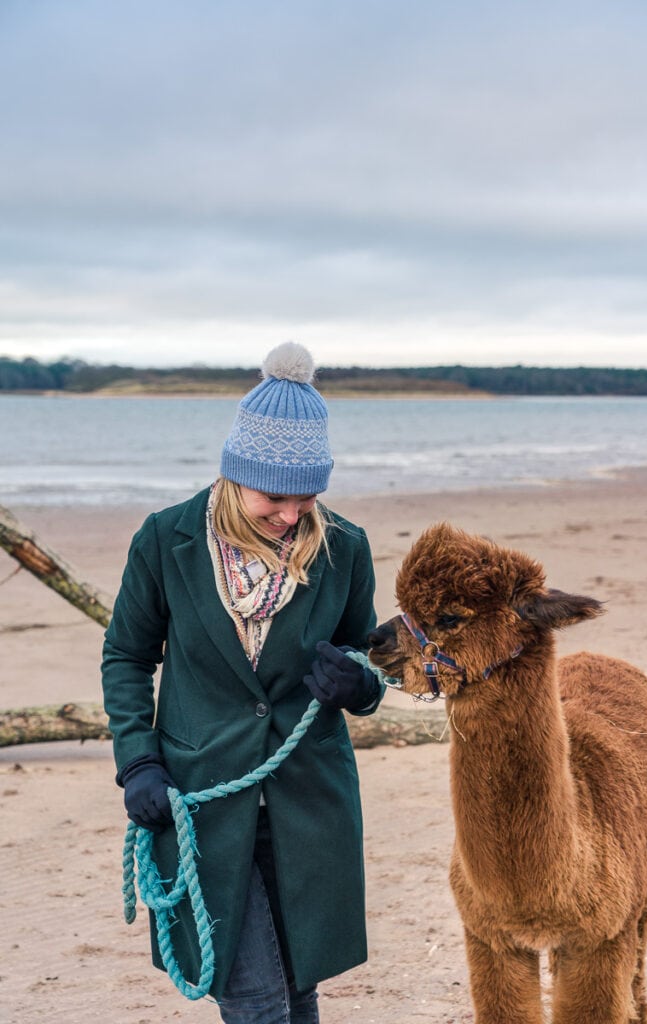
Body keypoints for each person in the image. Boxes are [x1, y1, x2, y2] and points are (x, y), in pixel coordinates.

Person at [101, 342, 382, 1023]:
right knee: (254, 999)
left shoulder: (344, 546)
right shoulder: (164, 540)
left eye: (307, 496)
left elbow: (367, 664)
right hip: (199, 799)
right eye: (274, 499)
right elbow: (127, 658)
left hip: (308, 803)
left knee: (299, 987)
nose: (292, 515)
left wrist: (357, 685)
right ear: (234, 475)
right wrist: (137, 761)